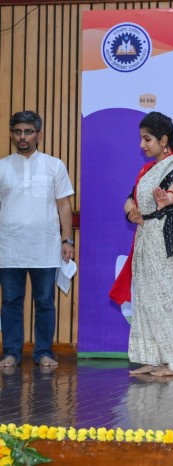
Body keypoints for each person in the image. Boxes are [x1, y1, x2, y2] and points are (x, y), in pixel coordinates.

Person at [110, 111, 173, 378]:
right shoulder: (148, 170)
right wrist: (131, 214)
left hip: (168, 240)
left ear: (163, 140)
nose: (142, 144)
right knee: (145, 298)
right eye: (141, 139)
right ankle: (152, 359)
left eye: (147, 139)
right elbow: (130, 199)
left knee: (165, 297)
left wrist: (168, 199)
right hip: (146, 236)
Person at [0, 111, 74, 368]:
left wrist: (67, 241)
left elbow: (64, 205)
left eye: (28, 131)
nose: (23, 136)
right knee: (11, 302)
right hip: (9, 247)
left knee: (44, 302)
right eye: (18, 131)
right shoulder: (2, 166)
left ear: (39, 135)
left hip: (45, 246)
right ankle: (11, 352)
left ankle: (43, 352)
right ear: (11, 134)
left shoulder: (54, 165)